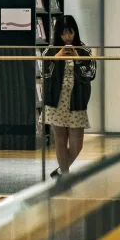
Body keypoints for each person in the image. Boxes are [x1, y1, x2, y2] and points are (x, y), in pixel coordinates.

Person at [42, 14, 96, 178]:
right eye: (63, 33)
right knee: (59, 139)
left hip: (77, 101)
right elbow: (44, 74)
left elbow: (90, 75)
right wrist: (56, 58)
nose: (67, 37)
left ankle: (59, 171)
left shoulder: (84, 50)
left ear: (75, 32)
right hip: (55, 101)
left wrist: (78, 59)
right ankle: (65, 175)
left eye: (70, 33)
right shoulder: (50, 51)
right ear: (58, 34)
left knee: (77, 144)